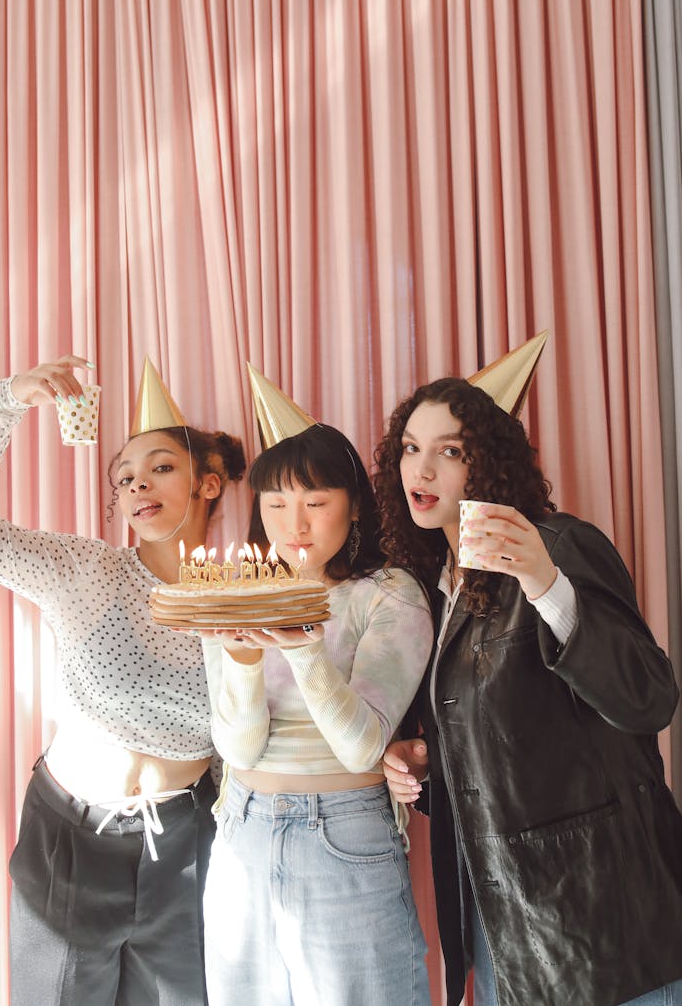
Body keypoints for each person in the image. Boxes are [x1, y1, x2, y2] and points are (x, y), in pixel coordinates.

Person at [0, 353, 246, 1006]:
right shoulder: (86, 570)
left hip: (187, 850)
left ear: (208, 484)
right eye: (124, 477)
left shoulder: (241, 604)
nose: (138, 485)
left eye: (161, 467)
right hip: (69, 841)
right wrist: (6, 403)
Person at [374, 365, 682, 1006]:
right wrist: (420, 765)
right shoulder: (437, 588)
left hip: (601, 922)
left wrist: (547, 586)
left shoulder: (560, 546)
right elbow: (506, 754)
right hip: (499, 923)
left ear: (487, 466)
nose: (421, 471)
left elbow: (647, 698)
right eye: (410, 448)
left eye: (448, 451)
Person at [199, 369, 435, 1006]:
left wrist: (303, 647)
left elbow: (361, 746)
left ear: (354, 504)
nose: (293, 524)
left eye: (316, 502)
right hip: (242, 830)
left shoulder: (389, 594)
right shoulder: (232, 597)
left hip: (345, 835)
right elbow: (239, 750)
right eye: (275, 505)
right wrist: (244, 664)